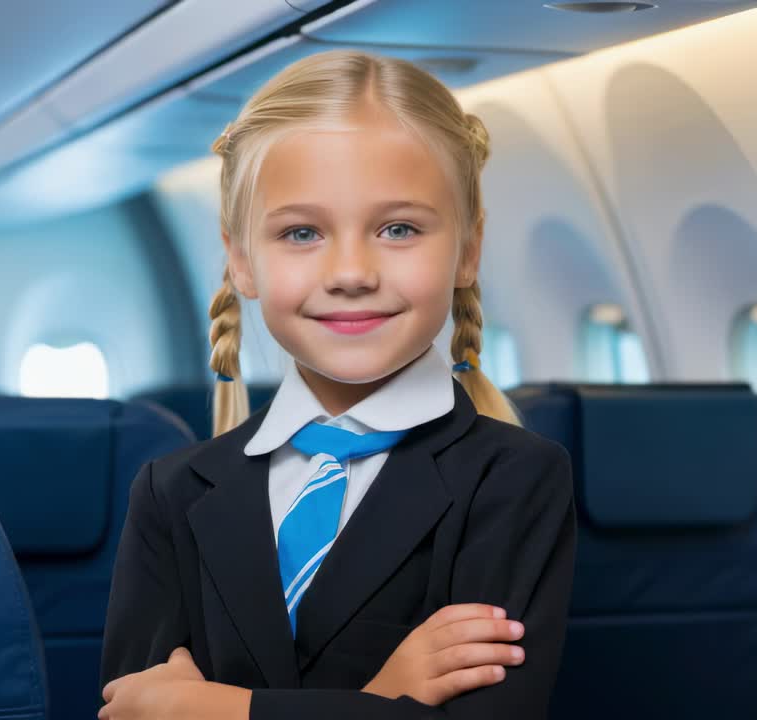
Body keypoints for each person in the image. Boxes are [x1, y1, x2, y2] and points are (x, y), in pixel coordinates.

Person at [99, 49, 575, 720]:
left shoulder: (514, 480)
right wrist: (383, 700)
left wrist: (219, 710)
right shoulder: (172, 492)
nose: (351, 270)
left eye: (398, 228)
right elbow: (134, 710)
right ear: (241, 259)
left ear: (468, 248)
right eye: (301, 232)